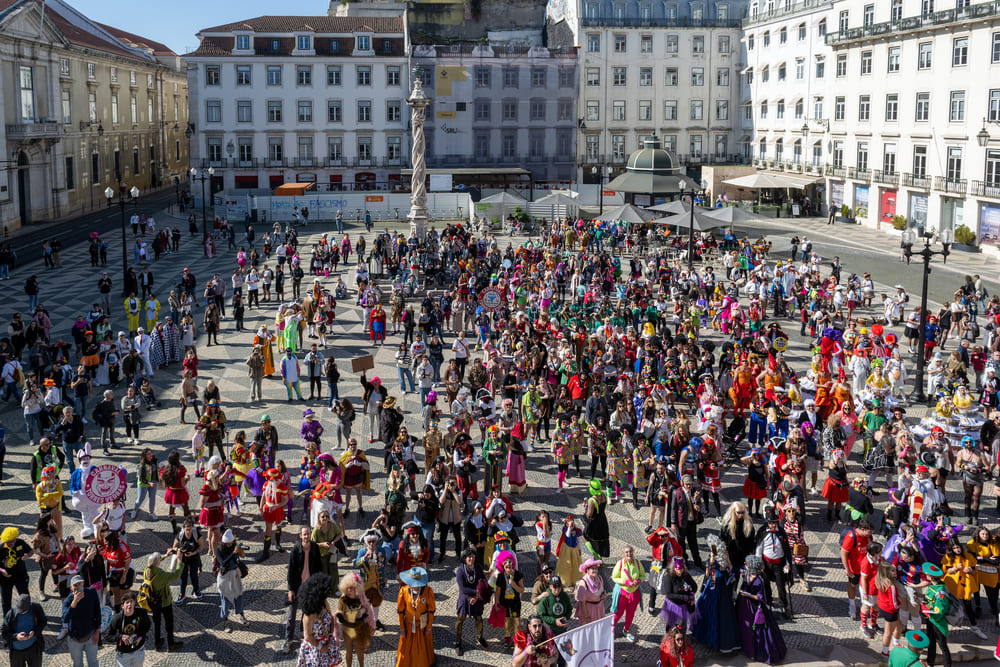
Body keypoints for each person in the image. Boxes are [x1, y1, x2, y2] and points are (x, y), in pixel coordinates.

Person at [736, 555, 787, 664]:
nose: (744, 565)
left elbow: (760, 597)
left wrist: (747, 594)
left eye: (746, 564)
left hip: (754, 607)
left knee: (757, 630)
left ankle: (757, 652)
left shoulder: (759, 581)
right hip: (744, 605)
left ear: (751, 567)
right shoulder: (745, 572)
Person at [283, 526, 322, 654]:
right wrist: (290, 590)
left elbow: (318, 568)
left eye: (308, 534)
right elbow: (291, 572)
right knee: (291, 615)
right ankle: (288, 640)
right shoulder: (295, 550)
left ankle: (302, 632)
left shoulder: (315, 548)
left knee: (306, 613)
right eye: (304, 534)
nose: (306, 536)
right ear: (300, 536)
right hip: (297, 587)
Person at [296, 573, 342, 667]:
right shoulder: (308, 616)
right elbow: (308, 636)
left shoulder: (325, 604)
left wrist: (330, 637)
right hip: (314, 649)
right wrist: (321, 647)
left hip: (327, 643)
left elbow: (332, 620)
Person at [142, 550, 183, 652]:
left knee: (157, 623)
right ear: (157, 563)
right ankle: (171, 644)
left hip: (153, 602)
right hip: (164, 602)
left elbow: (155, 562)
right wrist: (179, 561)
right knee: (169, 623)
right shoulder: (160, 575)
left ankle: (157, 643)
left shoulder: (147, 570)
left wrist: (165, 556)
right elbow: (175, 575)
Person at [396, 566, 435, 667]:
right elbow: (400, 611)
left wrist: (429, 627)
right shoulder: (403, 591)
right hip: (408, 625)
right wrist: (402, 628)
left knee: (422, 649)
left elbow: (431, 610)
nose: (412, 586)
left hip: (422, 626)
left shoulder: (427, 591)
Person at [453, 547, 487, 656]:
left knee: (479, 618)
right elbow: (463, 588)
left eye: (473, 556)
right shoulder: (460, 570)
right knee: (460, 620)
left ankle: (480, 637)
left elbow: (484, 581)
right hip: (465, 598)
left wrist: (477, 596)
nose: (471, 558)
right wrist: (475, 592)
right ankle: (458, 642)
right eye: (469, 557)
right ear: (465, 558)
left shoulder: (478, 567)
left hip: (476, 597)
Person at [61, 575, 101, 667]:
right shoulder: (68, 601)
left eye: (80, 584)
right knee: (77, 663)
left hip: (90, 635)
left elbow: (97, 612)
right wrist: (74, 602)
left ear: (83, 584)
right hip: (75, 638)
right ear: (71, 587)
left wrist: (97, 632)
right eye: (75, 585)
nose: (78, 587)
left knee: (93, 662)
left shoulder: (91, 593)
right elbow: (65, 619)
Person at [215, 529, 249, 632]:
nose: (230, 545)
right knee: (225, 600)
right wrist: (232, 553)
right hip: (224, 577)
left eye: (231, 543)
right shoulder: (218, 550)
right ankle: (226, 622)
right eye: (228, 544)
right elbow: (222, 563)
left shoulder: (234, 546)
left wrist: (240, 551)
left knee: (239, 597)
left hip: (234, 575)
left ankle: (242, 615)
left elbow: (241, 557)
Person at [610, 544, 645, 642]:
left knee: (630, 614)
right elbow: (614, 577)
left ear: (633, 552)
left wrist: (638, 581)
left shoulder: (637, 563)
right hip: (622, 593)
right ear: (623, 554)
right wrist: (625, 582)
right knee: (617, 613)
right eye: (626, 552)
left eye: (630, 551)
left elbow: (643, 576)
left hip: (634, 593)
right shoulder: (620, 564)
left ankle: (626, 630)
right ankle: (610, 630)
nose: (629, 554)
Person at [107, 591, 150, 667]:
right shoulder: (117, 618)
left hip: (138, 651)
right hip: (124, 654)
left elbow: (146, 627)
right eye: (127, 602)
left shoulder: (141, 613)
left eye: (131, 602)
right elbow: (108, 636)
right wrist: (121, 637)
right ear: (122, 606)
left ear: (134, 603)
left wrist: (140, 637)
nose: (130, 604)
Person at [2, 593, 46, 667]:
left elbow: (43, 622)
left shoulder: (36, 608)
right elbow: (4, 633)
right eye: (19, 610)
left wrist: (35, 632)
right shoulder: (11, 614)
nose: (20, 612)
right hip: (17, 651)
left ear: (29, 606)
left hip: (33, 648)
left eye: (23, 611)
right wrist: (16, 637)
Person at [0, 527, 32, 616]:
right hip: (5, 579)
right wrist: (2, 571)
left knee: (25, 597)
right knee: (6, 601)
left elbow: (31, 551)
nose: (13, 544)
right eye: (10, 543)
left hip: (20, 576)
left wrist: (28, 556)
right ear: (5, 540)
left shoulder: (20, 542)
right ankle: (7, 620)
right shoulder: (1, 549)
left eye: (14, 541)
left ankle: (28, 615)